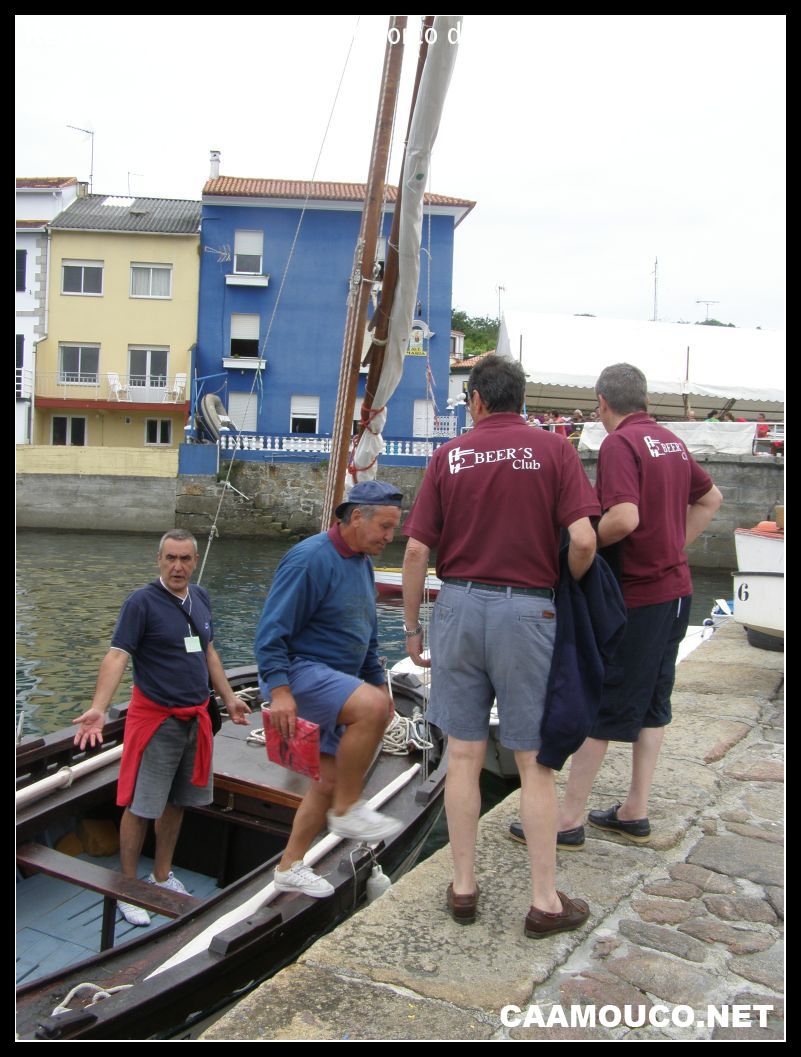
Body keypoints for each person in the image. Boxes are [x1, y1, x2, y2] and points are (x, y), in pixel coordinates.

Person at [402, 355, 599, 938]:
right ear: (521, 399)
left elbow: (415, 552)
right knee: (534, 761)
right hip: (527, 608)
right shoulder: (555, 450)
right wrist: (564, 585)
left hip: (459, 605)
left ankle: (464, 889)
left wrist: (412, 628)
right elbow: (584, 540)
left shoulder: (449, 455)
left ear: (477, 400)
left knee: (463, 755)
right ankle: (544, 902)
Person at [512, 363, 722, 850]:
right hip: (677, 592)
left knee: (602, 702)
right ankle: (634, 810)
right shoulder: (669, 441)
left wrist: (578, 548)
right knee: (653, 704)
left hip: (640, 595)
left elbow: (624, 518)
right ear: (644, 399)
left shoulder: (619, 444)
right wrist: (672, 547)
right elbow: (711, 498)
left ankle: (567, 818)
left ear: (603, 402)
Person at [73, 529, 251, 926]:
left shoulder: (200, 598)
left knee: (177, 802)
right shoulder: (141, 603)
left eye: (185, 559)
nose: (178, 566)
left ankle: (162, 874)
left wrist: (228, 697)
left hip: (195, 719)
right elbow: (117, 655)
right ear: (159, 560)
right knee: (141, 806)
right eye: (171, 558)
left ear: (194, 561)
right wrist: (99, 707)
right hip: (156, 723)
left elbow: (208, 651)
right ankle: (128, 887)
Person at [254, 480, 405, 899]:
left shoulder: (361, 562)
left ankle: (289, 866)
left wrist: (378, 683)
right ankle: (349, 808)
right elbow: (270, 633)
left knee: (325, 780)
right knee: (370, 709)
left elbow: (366, 634)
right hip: (300, 672)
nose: (390, 537)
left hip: (338, 681)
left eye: (394, 528)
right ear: (357, 517)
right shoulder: (309, 559)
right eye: (385, 527)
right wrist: (280, 691)